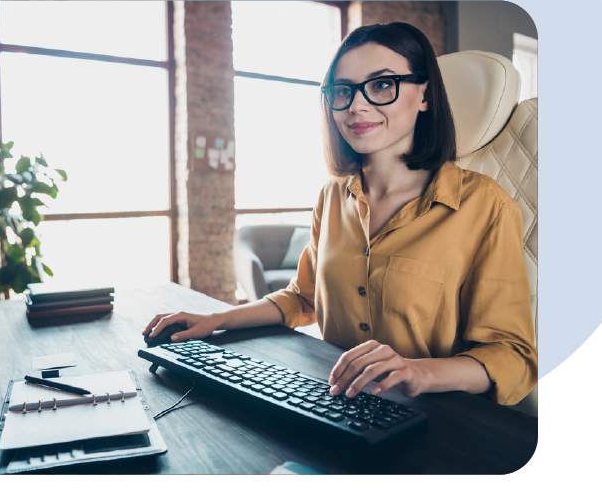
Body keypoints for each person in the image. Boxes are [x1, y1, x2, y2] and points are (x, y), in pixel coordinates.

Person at [144, 22, 538, 406]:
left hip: (440, 422)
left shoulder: (485, 205)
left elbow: (512, 356)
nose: (357, 105)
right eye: (342, 91)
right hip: (338, 404)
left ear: (425, 95)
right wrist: (215, 319)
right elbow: (303, 297)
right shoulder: (332, 196)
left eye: (382, 84)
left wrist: (420, 372)